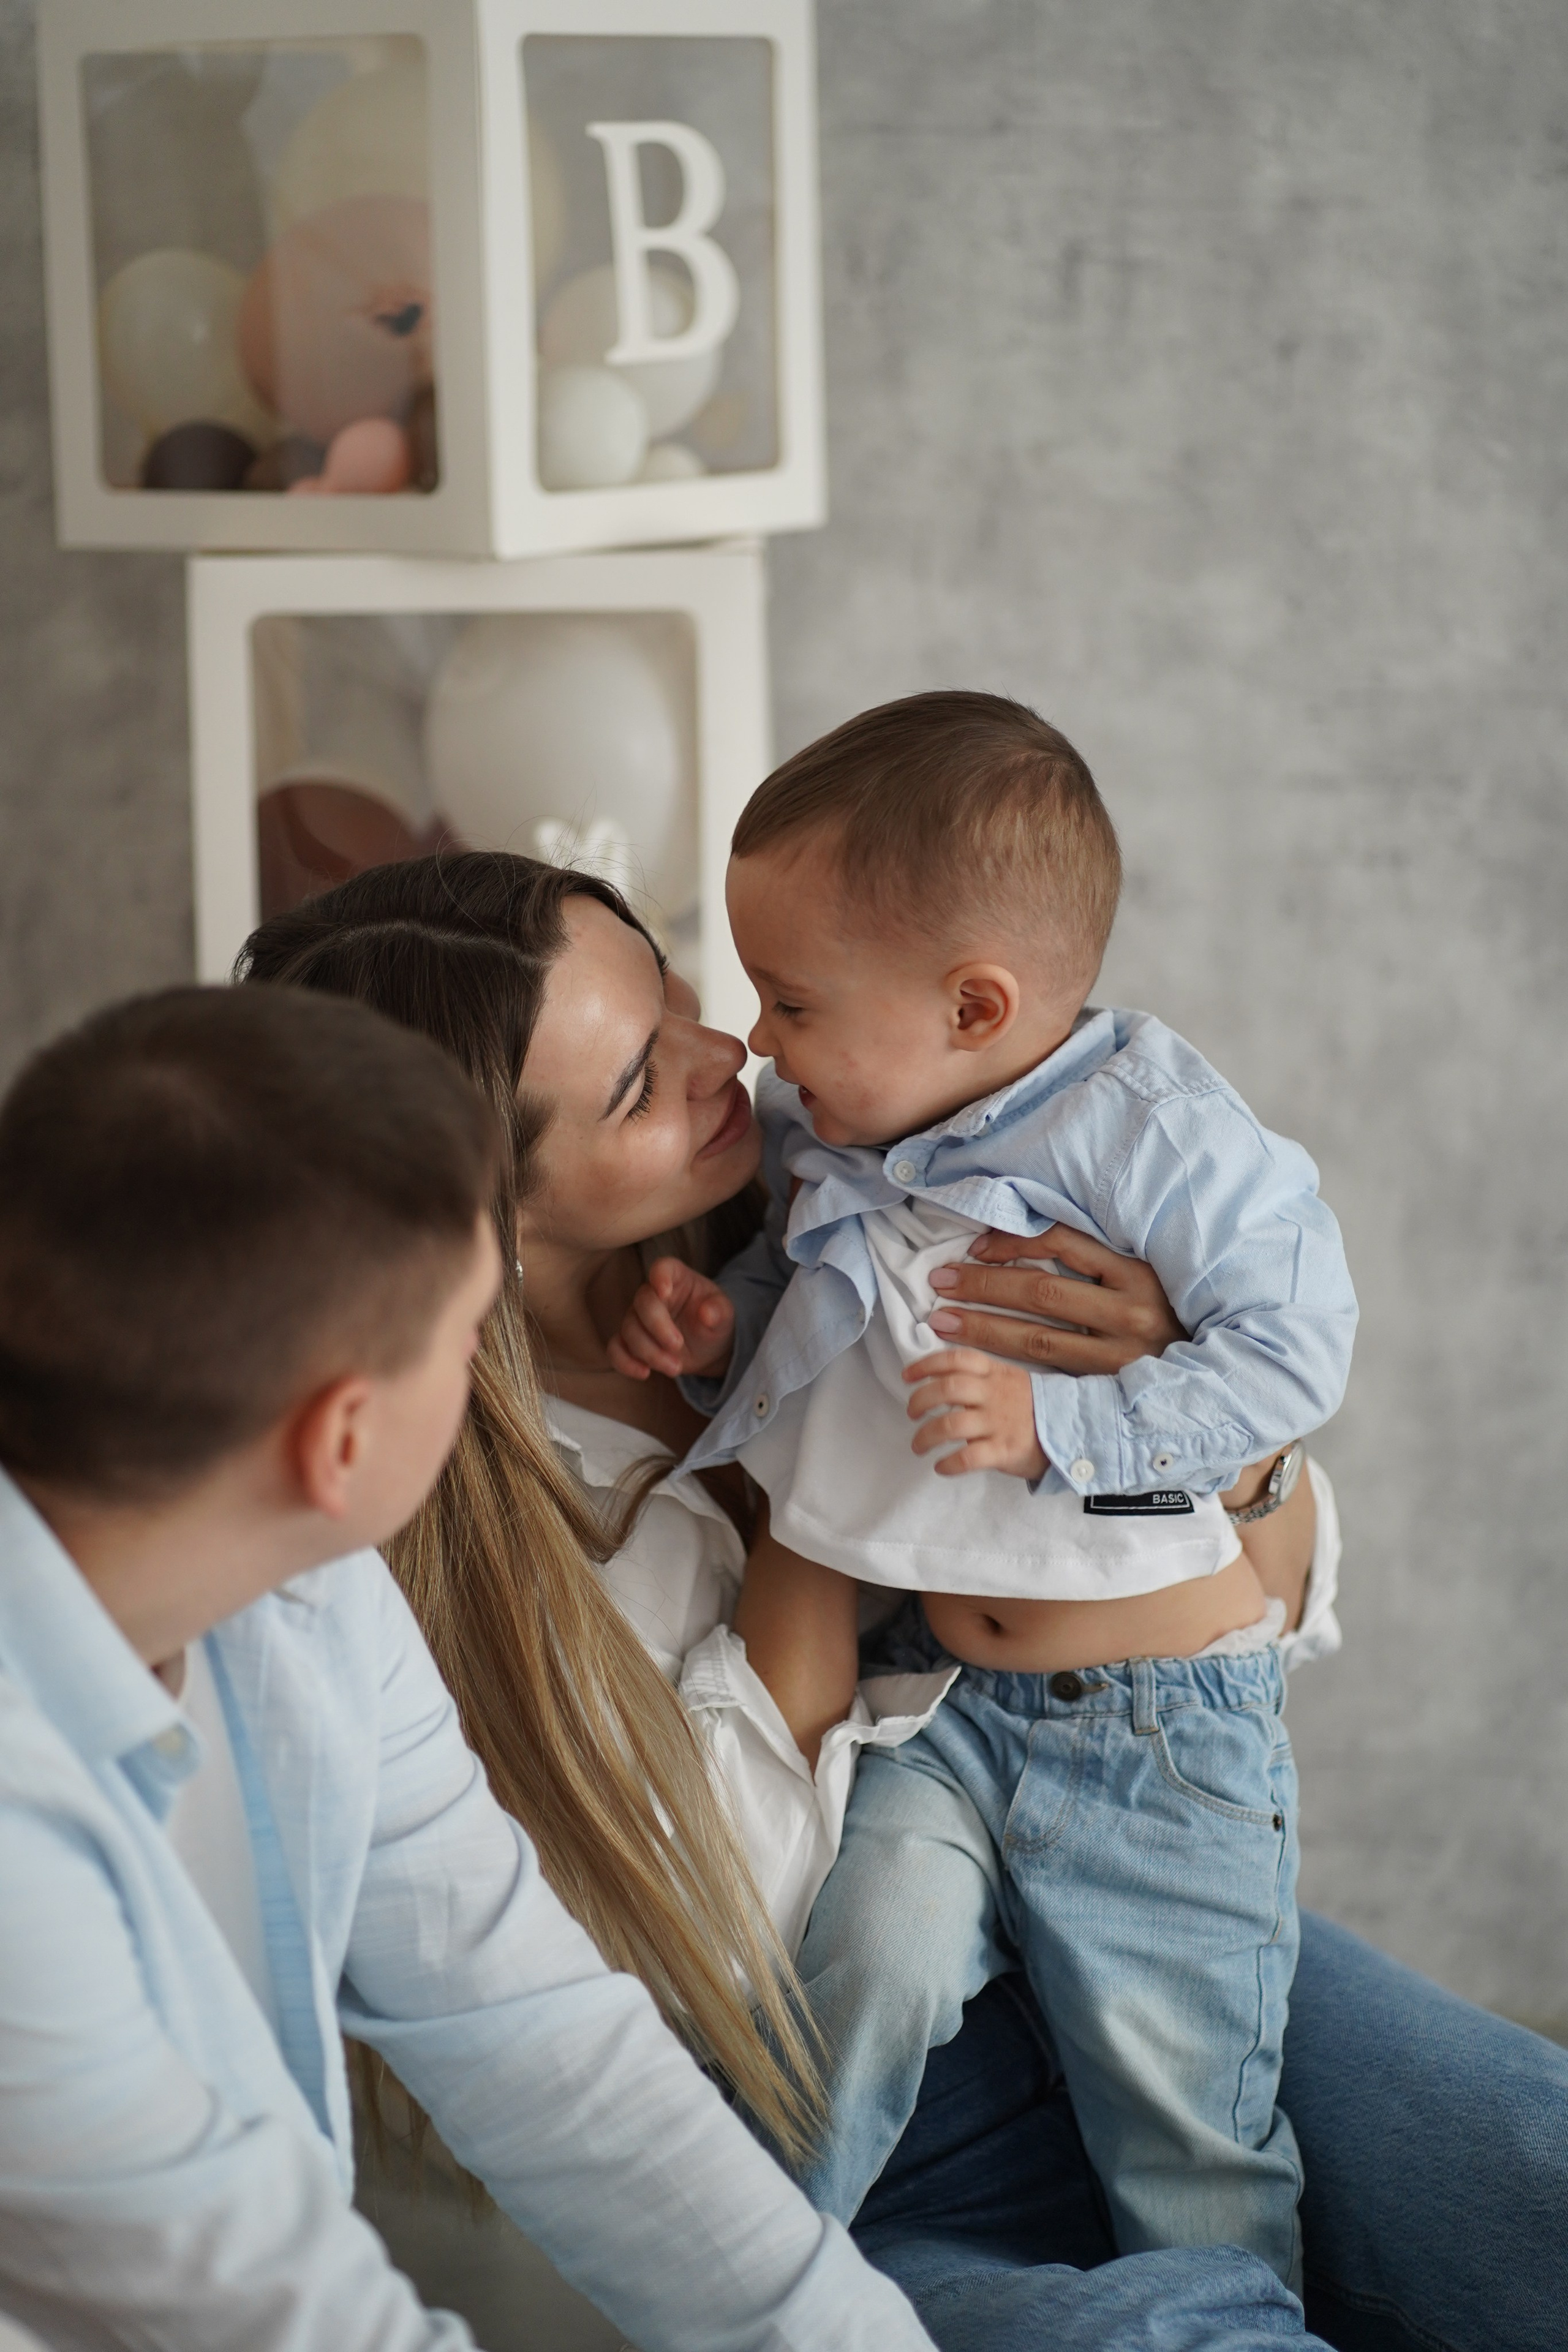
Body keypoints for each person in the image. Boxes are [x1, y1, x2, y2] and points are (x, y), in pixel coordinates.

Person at [242, 851, 1568, 2352]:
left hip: (1152, 1891)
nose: (728, 1049)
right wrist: (825, 1469)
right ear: (484, 1217)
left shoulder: (850, 1169)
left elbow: (1257, 1618)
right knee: (1185, 2335)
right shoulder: (452, 1548)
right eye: (634, 1087)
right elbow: (720, 1930)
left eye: (676, 994)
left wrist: (1206, 1418)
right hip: (878, 2124)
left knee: (1535, 2172)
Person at [0, 984, 941, 2352]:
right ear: (339, 1443)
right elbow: (277, 2318)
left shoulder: (306, 1595)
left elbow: (538, 2036)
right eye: (463, 1344)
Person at [621, 692, 1354, 2281]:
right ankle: (759, 2289)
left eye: (790, 1000)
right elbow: (829, 1332)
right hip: (935, 1710)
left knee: (1191, 2130)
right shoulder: (837, 1125)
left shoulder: (1155, 1137)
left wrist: (1063, 1427)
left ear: (974, 1005)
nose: (755, 1039)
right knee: (855, 1992)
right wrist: (714, 1335)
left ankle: (1227, 2314)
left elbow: (1296, 1357)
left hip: (1161, 1727)